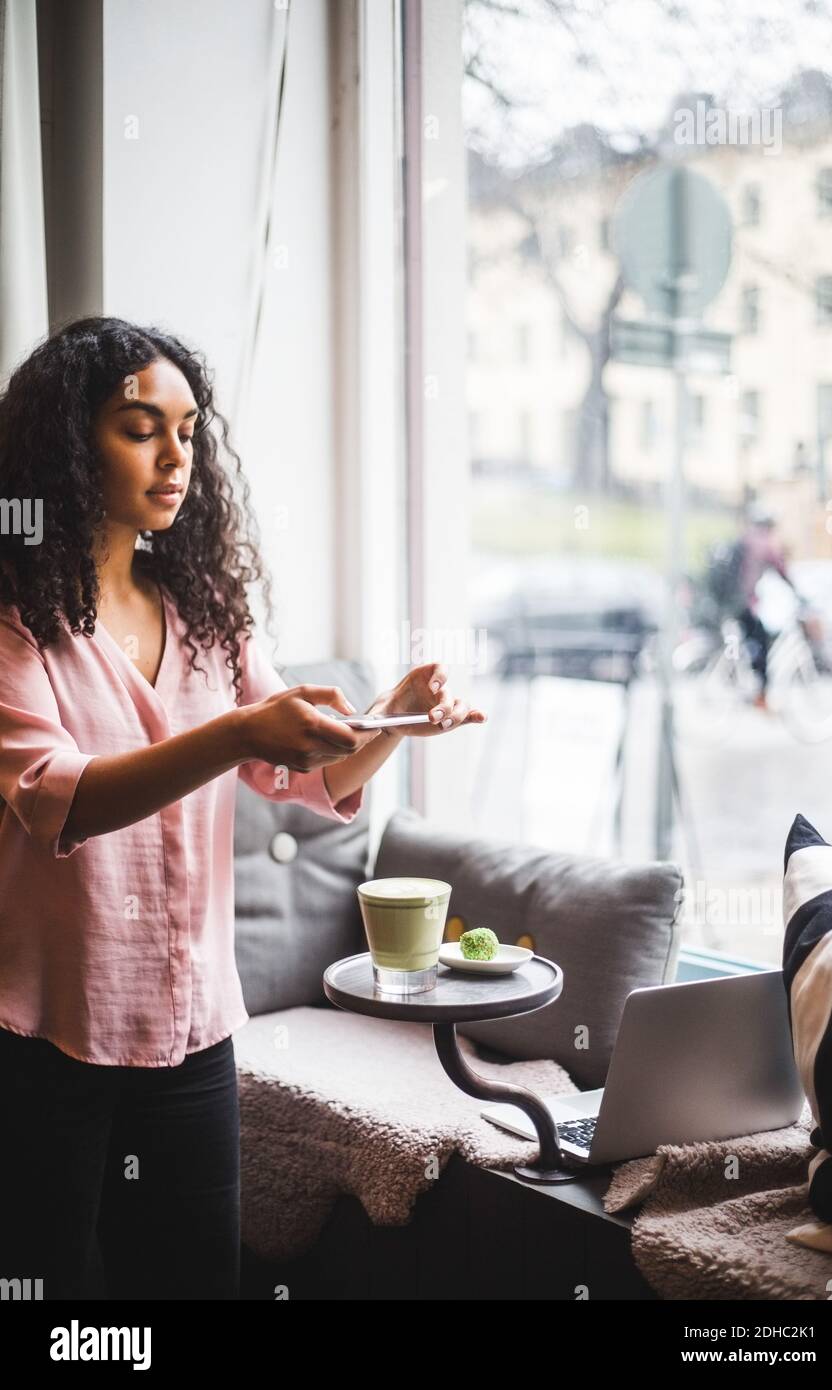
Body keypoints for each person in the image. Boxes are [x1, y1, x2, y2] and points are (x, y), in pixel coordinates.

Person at [0, 315, 487, 1301]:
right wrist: (234, 734)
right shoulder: (17, 617)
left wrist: (393, 718)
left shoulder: (206, 607)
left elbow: (299, 776)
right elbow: (55, 800)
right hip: (51, 1039)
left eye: (188, 428)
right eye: (141, 427)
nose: (177, 454)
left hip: (196, 1029)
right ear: (63, 444)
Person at [734, 506, 797, 709]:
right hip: (743, 603)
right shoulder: (765, 543)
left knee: (754, 640)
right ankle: (759, 694)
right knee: (760, 643)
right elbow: (781, 570)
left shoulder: (745, 540)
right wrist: (798, 593)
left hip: (734, 602)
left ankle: (752, 686)